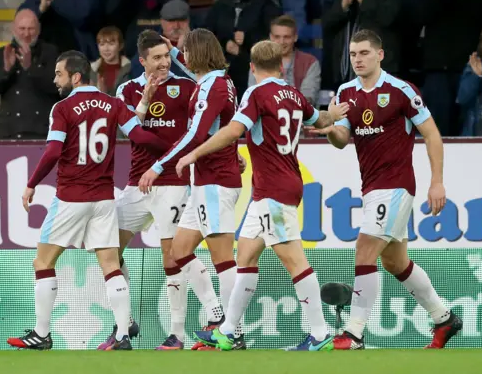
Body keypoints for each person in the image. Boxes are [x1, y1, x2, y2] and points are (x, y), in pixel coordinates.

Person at [176, 40, 349, 351]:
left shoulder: (255, 94)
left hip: (273, 189)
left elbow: (232, 130)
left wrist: (193, 154)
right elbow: (319, 120)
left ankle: (321, 333)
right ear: (281, 66)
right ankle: (229, 330)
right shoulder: (294, 93)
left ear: (252, 68)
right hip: (278, 186)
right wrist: (333, 113)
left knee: (294, 261)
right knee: (246, 255)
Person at [6, 50, 169, 351]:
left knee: (42, 262)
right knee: (110, 266)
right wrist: (176, 151)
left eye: (59, 73)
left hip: (70, 197)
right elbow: (141, 137)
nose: (56, 80)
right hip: (104, 199)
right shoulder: (114, 105)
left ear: (76, 76)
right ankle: (122, 335)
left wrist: (31, 184)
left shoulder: (63, 108)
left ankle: (42, 334)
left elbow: (54, 151)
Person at [310, 29, 462, 350]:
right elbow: (341, 140)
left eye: (364, 53)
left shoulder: (401, 90)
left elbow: (432, 135)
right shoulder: (347, 91)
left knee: (365, 250)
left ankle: (353, 333)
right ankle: (444, 318)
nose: (358, 59)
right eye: (353, 54)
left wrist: (437, 181)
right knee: (395, 263)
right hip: (371, 187)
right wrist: (328, 127)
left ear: (380, 54)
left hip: (396, 185)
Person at [138, 29, 246, 350]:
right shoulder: (217, 82)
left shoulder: (211, 86)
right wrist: (170, 50)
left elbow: (196, 134)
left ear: (196, 53)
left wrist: (159, 165)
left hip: (215, 181)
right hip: (206, 182)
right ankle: (216, 315)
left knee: (222, 257)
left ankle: (232, 331)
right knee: (180, 250)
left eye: (184, 51)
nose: (180, 56)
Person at [101, 30, 196, 351]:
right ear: (142, 61)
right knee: (109, 248)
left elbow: (205, 127)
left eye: (166, 56)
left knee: (171, 258)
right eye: (156, 58)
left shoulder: (186, 88)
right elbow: (128, 129)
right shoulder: (127, 89)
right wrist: (145, 99)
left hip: (173, 182)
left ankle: (177, 334)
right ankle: (124, 324)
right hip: (136, 183)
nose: (163, 62)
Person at [0, 9, 60, 140]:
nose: (26, 34)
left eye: (31, 29)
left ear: (39, 30)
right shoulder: (2, 53)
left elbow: (57, 88)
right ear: (13, 29)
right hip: (9, 133)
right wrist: (6, 70)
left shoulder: (50, 52)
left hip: (41, 133)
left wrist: (31, 67)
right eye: (22, 28)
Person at [91, 26, 131, 95]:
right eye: (102, 44)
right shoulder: (92, 69)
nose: (106, 49)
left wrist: (104, 94)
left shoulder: (130, 69)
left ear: (120, 46)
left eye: (111, 44)